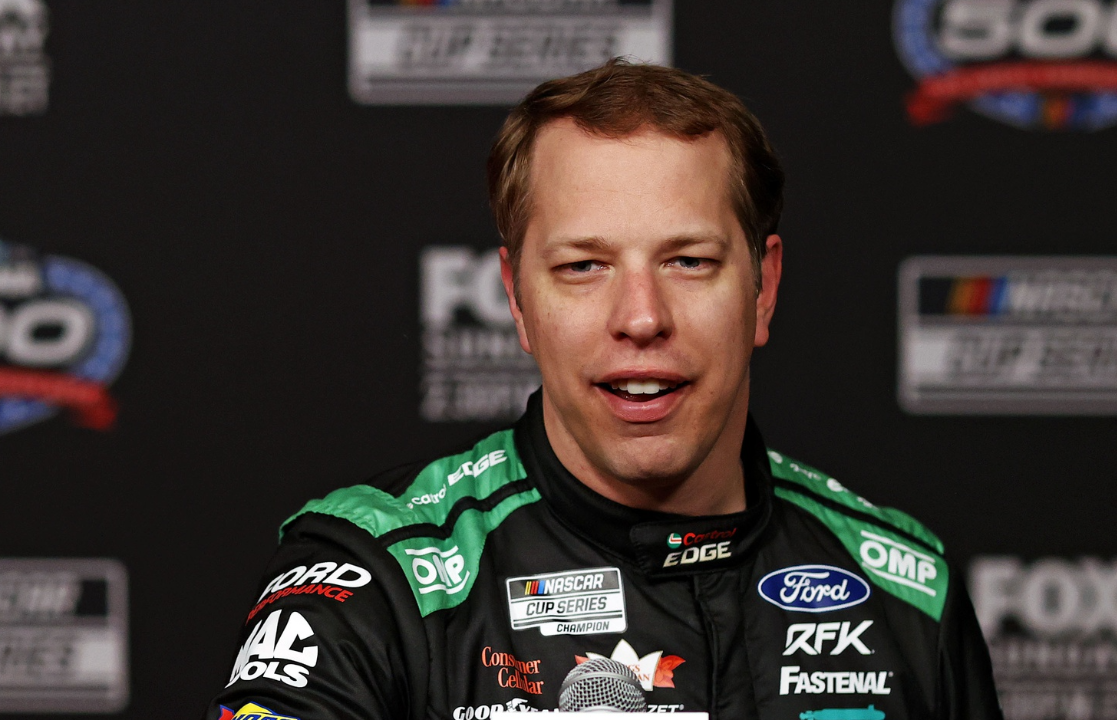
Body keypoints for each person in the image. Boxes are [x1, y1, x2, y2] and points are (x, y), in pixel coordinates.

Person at [207, 59, 1002, 720]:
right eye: (583, 266)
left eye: (688, 261)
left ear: (763, 289)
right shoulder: (378, 583)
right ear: (518, 300)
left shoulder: (907, 592)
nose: (642, 318)